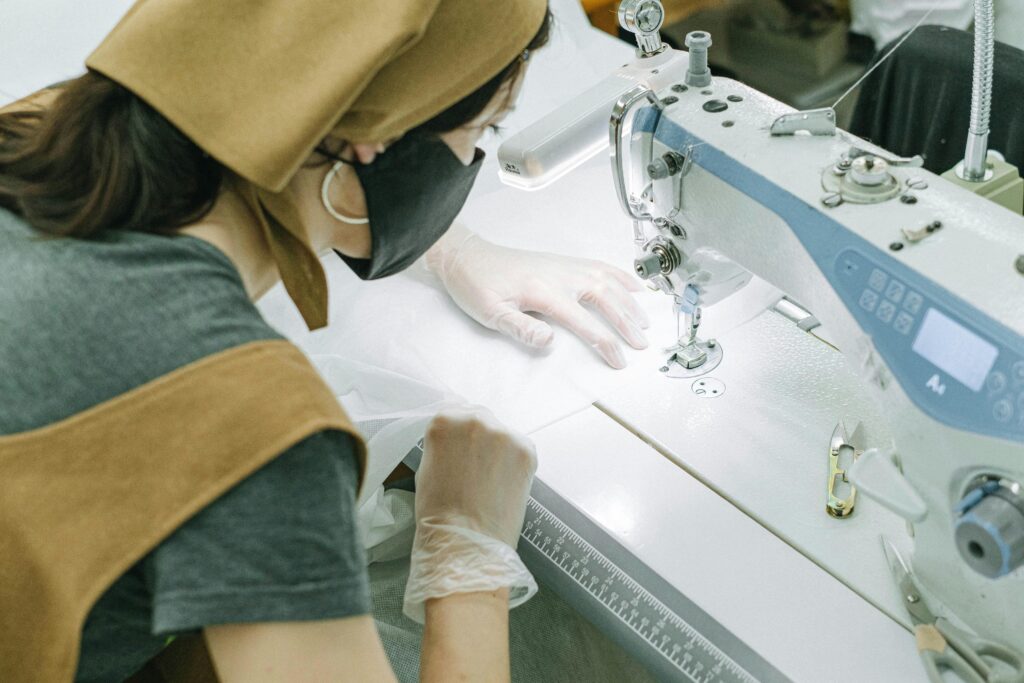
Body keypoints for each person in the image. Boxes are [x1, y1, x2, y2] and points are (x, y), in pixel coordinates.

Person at [0, 1, 652, 681]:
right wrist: (469, 555)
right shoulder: (247, 418)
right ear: (382, 135)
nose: (471, 162)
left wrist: (452, 245)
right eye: (480, 130)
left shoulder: (29, 134)